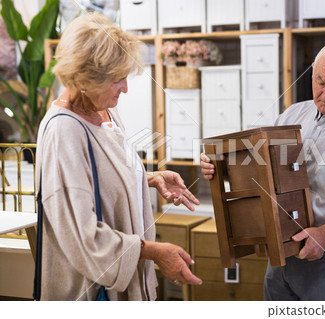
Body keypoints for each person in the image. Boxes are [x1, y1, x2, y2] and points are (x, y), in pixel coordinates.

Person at [200, 40, 325, 301]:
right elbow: (261, 170)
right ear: (312, 72)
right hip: (281, 255)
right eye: (321, 82)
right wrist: (219, 168)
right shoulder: (292, 115)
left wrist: (324, 234)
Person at [35, 12, 202, 301]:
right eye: (117, 80)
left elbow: (97, 177)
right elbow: (83, 238)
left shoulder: (104, 111)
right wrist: (155, 252)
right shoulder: (65, 132)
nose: (125, 88)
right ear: (84, 78)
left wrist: (147, 177)